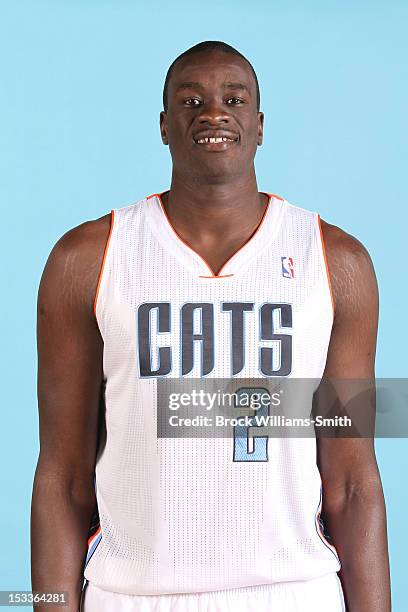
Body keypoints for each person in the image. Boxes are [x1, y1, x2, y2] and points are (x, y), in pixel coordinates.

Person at [31, 40, 391, 611]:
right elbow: (61, 475)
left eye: (233, 98)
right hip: (131, 593)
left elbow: (353, 480)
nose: (213, 112)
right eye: (191, 100)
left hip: (293, 592)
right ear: (164, 127)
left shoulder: (335, 262)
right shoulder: (88, 259)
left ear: (260, 124)